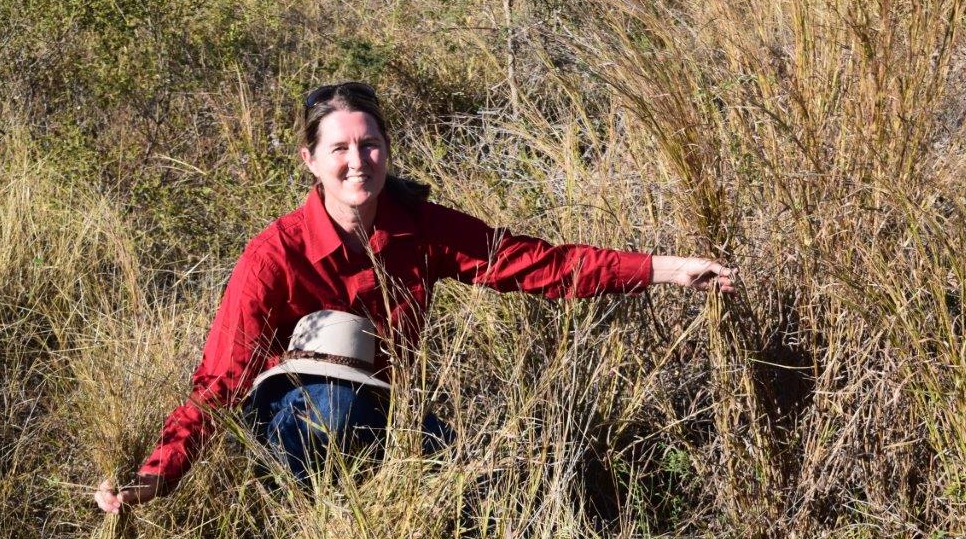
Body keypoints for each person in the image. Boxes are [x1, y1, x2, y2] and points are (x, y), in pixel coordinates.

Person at [95, 81, 735, 514]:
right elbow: (221, 378)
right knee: (332, 409)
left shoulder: (418, 228)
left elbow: (535, 264)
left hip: (388, 412)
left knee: (487, 487)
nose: (357, 161)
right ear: (310, 160)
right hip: (295, 424)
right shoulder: (275, 256)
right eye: (339, 148)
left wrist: (660, 269)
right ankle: (315, 528)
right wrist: (158, 475)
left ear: (387, 151)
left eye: (369, 145)